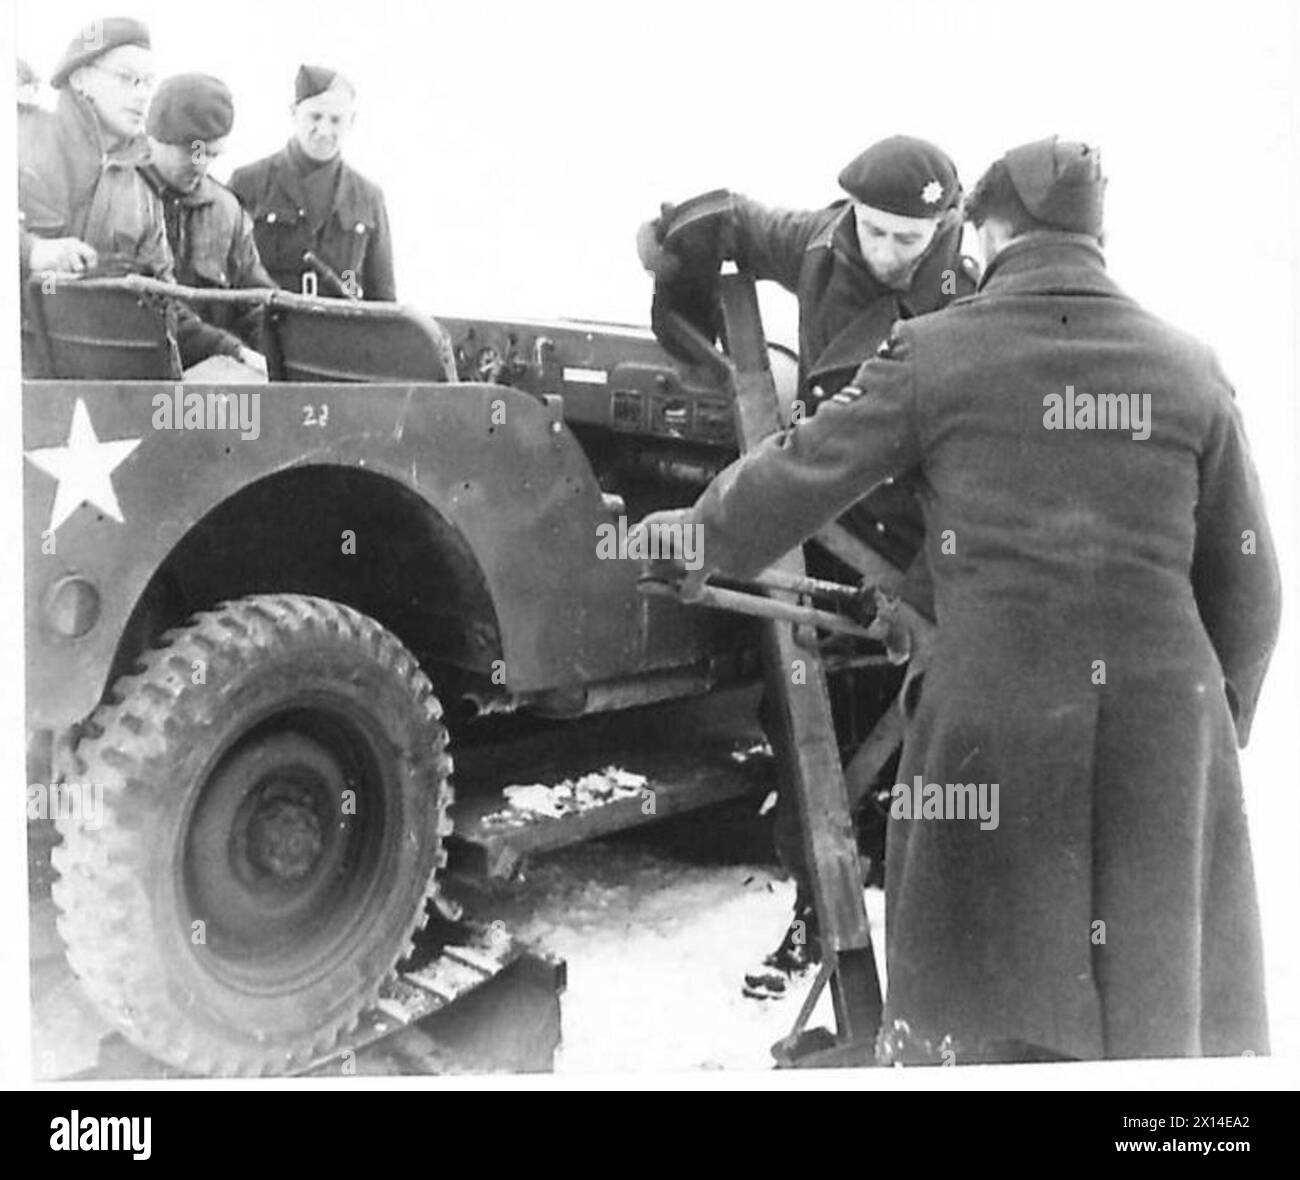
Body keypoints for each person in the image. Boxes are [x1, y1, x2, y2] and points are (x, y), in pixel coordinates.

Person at [639, 137, 1281, 1062]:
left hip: (995, 712)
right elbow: (1252, 587)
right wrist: (1215, 725)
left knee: (984, 1014)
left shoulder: (938, 353)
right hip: (1170, 726)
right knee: (1156, 1012)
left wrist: (686, 538)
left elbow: (800, 473)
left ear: (982, 230)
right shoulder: (1191, 366)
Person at [637, 136, 978, 996]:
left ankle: (924, 938)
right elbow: (739, 224)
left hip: (922, 538)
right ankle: (815, 916)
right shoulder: (824, 243)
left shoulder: (971, 290)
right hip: (828, 515)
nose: (891, 252)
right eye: (878, 232)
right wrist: (674, 241)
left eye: (912, 238)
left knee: (919, 748)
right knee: (809, 717)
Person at [17, 17, 261, 373]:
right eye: (127, 79)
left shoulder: (138, 190)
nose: (142, 94)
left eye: (147, 82)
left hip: (97, 391)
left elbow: (164, 303)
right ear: (81, 78)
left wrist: (231, 351)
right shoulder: (23, 143)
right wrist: (32, 251)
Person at [229, 65, 395, 301]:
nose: (324, 131)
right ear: (294, 113)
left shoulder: (368, 197)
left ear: (352, 122)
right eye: (315, 117)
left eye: (336, 120)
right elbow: (224, 277)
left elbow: (382, 292)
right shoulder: (249, 183)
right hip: (264, 329)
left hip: (340, 331)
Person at [143, 73, 276, 351]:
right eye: (192, 152)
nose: (201, 166)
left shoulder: (227, 212)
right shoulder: (118, 193)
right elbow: (147, 308)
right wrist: (231, 351)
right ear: (156, 138)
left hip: (213, 385)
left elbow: (256, 305)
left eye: (212, 155)